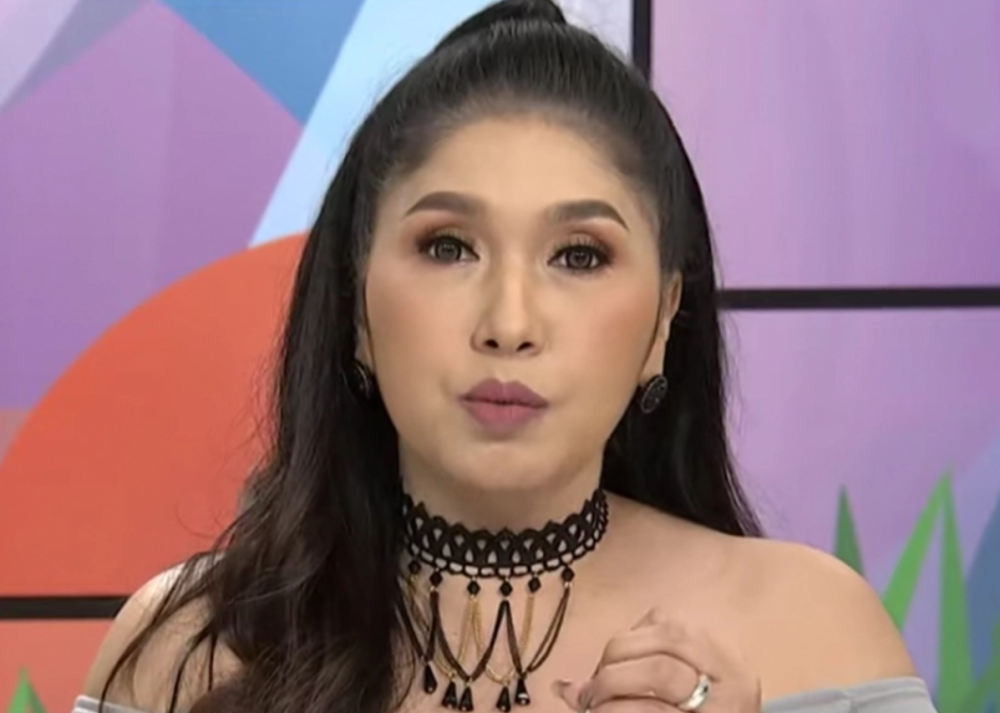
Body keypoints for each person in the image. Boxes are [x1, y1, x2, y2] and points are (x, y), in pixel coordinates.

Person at [75, 1, 937, 712]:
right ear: (357, 308)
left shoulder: (815, 629)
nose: (509, 322)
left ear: (662, 322)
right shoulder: (185, 649)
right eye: (448, 247)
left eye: (580, 256)